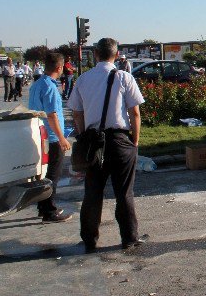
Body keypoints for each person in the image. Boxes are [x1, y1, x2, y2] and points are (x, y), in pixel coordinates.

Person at [68, 38, 146, 252]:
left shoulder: (83, 79)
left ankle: (89, 239)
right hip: (120, 139)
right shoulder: (124, 77)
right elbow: (135, 112)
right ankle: (129, 237)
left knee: (93, 191)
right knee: (124, 192)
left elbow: (76, 112)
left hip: (94, 141)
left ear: (95, 54)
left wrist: (85, 136)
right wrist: (135, 141)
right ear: (117, 54)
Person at [28, 52, 73, 223]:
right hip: (52, 137)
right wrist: (62, 138)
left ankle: (43, 206)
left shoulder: (38, 84)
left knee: (45, 174)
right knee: (52, 175)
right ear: (59, 67)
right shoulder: (50, 87)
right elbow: (52, 114)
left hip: (40, 134)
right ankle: (49, 210)